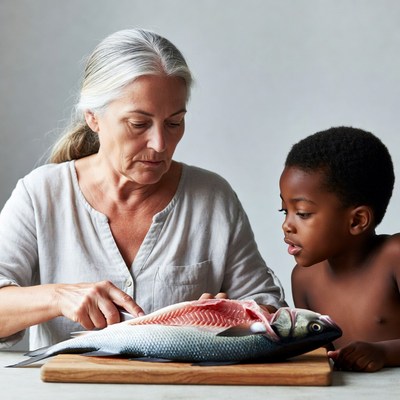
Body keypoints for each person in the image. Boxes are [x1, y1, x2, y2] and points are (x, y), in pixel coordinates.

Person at [0, 28, 285, 350]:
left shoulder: (213, 198)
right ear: (93, 117)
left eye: (174, 123)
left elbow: (267, 308)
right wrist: (57, 296)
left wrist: (236, 315)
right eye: (138, 124)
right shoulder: (41, 194)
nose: (160, 144)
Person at [279, 126, 400, 372]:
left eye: (302, 213)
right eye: (284, 211)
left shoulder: (394, 257)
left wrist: (384, 353)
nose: (287, 225)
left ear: (356, 221)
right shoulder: (304, 279)